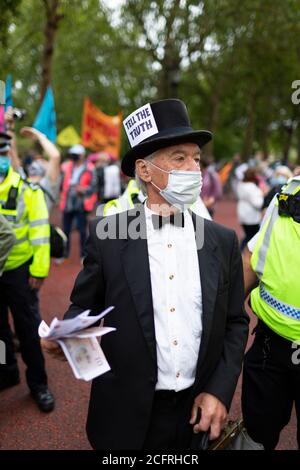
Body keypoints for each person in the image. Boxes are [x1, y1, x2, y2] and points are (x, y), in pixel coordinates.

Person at [42, 99, 249, 450]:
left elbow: (235, 323)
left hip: (195, 413)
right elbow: (84, 307)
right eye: (179, 158)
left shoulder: (222, 240)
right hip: (125, 413)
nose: (193, 169)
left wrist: (219, 391)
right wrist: (65, 335)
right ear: (146, 170)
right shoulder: (108, 235)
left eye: (196, 158)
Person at [242, 175, 300, 449]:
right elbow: (253, 261)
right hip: (270, 345)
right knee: (256, 435)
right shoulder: (291, 191)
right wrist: (223, 324)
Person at [0, 131, 54, 412]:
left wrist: (39, 268)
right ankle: (6, 370)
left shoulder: (26, 190)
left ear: (9, 154)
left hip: (19, 270)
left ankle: (38, 384)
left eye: (3, 151)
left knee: (28, 329)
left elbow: (40, 230)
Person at [60, 144, 97, 259]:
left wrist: (83, 189)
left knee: (82, 230)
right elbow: (62, 182)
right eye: (72, 154)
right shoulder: (67, 166)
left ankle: (83, 255)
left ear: (82, 155)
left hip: (81, 202)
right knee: (65, 229)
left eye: (75, 154)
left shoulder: (90, 168)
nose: (73, 157)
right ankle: (64, 254)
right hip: (67, 201)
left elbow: (94, 187)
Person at [236, 168, 264, 251]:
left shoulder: (241, 184)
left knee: (248, 234)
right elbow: (258, 203)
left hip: (242, 211)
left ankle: (240, 250)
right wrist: (262, 195)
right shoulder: (252, 188)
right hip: (251, 215)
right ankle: (240, 251)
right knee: (251, 236)